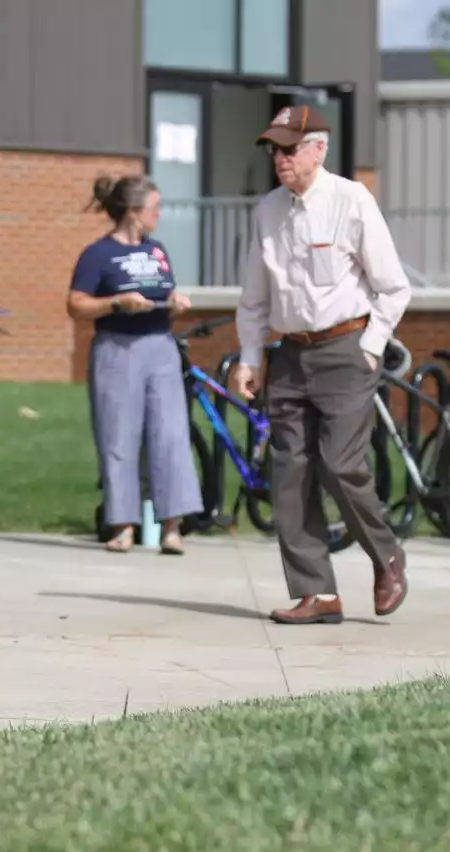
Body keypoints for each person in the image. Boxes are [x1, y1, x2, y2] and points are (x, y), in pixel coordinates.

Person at [231, 105, 413, 625]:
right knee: (289, 472)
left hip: (345, 349)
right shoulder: (267, 210)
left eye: (290, 149)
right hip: (289, 354)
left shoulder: (351, 201)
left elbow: (394, 287)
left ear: (319, 148)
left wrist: (370, 346)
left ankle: (388, 557)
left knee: (339, 463)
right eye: (274, 150)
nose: (280, 159)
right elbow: (254, 298)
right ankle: (317, 592)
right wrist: (250, 359)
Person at [67, 174, 204, 554]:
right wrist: (117, 302)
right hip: (117, 348)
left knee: (171, 434)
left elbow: (165, 290)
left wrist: (176, 301)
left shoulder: (157, 250)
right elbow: (75, 304)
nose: (158, 214)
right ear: (132, 211)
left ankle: (173, 527)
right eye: (154, 208)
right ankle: (122, 525)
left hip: (159, 346)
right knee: (118, 436)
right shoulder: (98, 254)